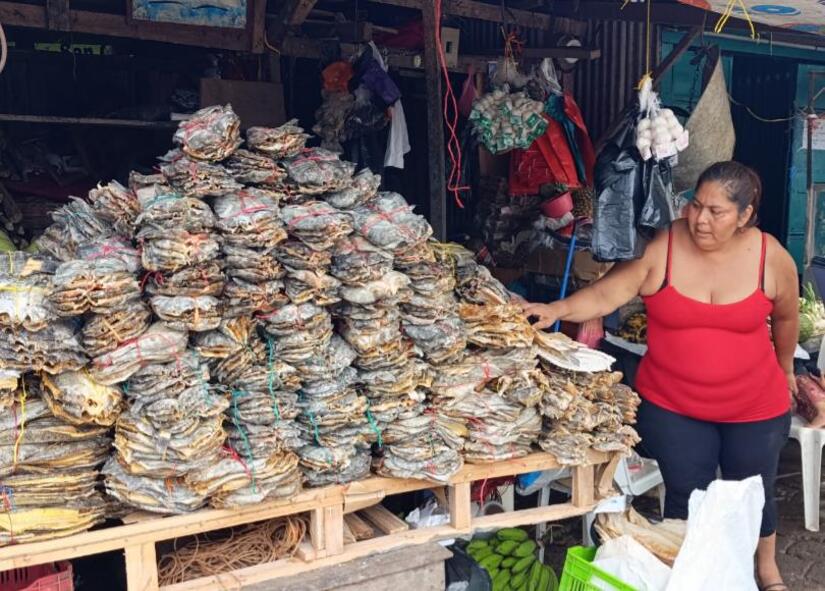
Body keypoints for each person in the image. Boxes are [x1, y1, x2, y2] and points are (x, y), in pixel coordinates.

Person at [522, 161, 798, 591]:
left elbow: (786, 316)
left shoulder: (769, 255)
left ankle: (765, 569)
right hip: (674, 405)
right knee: (688, 494)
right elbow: (608, 292)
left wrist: (784, 368)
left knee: (752, 492)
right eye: (696, 206)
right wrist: (555, 310)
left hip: (754, 405)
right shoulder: (665, 245)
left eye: (716, 212)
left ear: (745, 216)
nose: (700, 219)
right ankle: (695, 576)